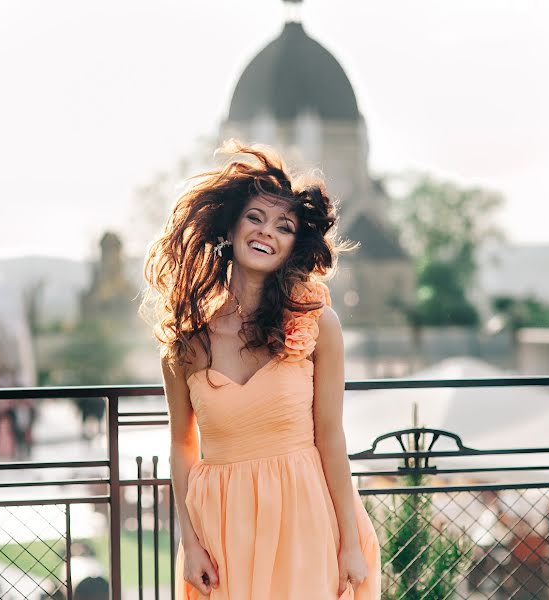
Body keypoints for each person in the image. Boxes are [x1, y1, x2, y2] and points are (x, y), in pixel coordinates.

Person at [142, 140, 381, 599]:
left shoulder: (318, 326)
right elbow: (181, 446)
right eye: (255, 217)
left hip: (305, 513)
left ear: (294, 245)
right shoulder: (187, 340)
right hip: (224, 524)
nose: (267, 231)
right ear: (230, 228)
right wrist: (190, 543)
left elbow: (331, 437)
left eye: (284, 225)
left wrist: (349, 542)